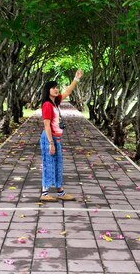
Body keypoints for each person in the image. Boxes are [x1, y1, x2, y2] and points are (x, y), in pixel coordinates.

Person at [39, 70, 83, 202]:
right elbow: (47, 125)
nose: (56, 89)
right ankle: (45, 193)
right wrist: (51, 143)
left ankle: (60, 192)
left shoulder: (55, 103)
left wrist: (76, 78)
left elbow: (68, 91)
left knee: (58, 164)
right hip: (49, 138)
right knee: (49, 164)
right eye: (53, 88)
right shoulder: (47, 105)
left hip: (56, 139)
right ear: (48, 90)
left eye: (57, 87)